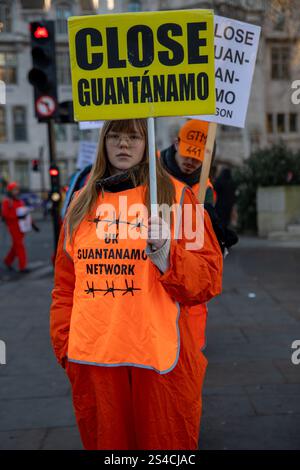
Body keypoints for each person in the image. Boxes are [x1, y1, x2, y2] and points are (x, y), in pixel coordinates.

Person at [50, 118, 223, 450]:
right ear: (103, 143)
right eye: (115, 136)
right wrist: (65, 347)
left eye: (133, 136)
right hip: (96, 361)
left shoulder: (177, 197)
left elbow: (207, 280)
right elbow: (64, 286)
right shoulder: (80, 205)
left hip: (158, 361)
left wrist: (167, 255)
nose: (124, 144)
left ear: (149, 143)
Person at [159, 119, 217, 206]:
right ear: (176, 144)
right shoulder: (152, 166)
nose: (190, 161)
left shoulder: (205, 190)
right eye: (187, 153)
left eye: (197, 158)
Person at [1, 181, 30, 273]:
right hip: (13, 226)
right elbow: (5, 214)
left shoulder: (20, 200)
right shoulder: (7, 201)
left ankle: (7, 261)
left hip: (21, 226)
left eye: (17, 189)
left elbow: (24, 213)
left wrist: (33, 224)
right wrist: (16, 216)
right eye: (14, 190)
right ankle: (23, 266)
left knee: (16, 246)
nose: (16, 191)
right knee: (19, 245)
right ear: (10, 191)